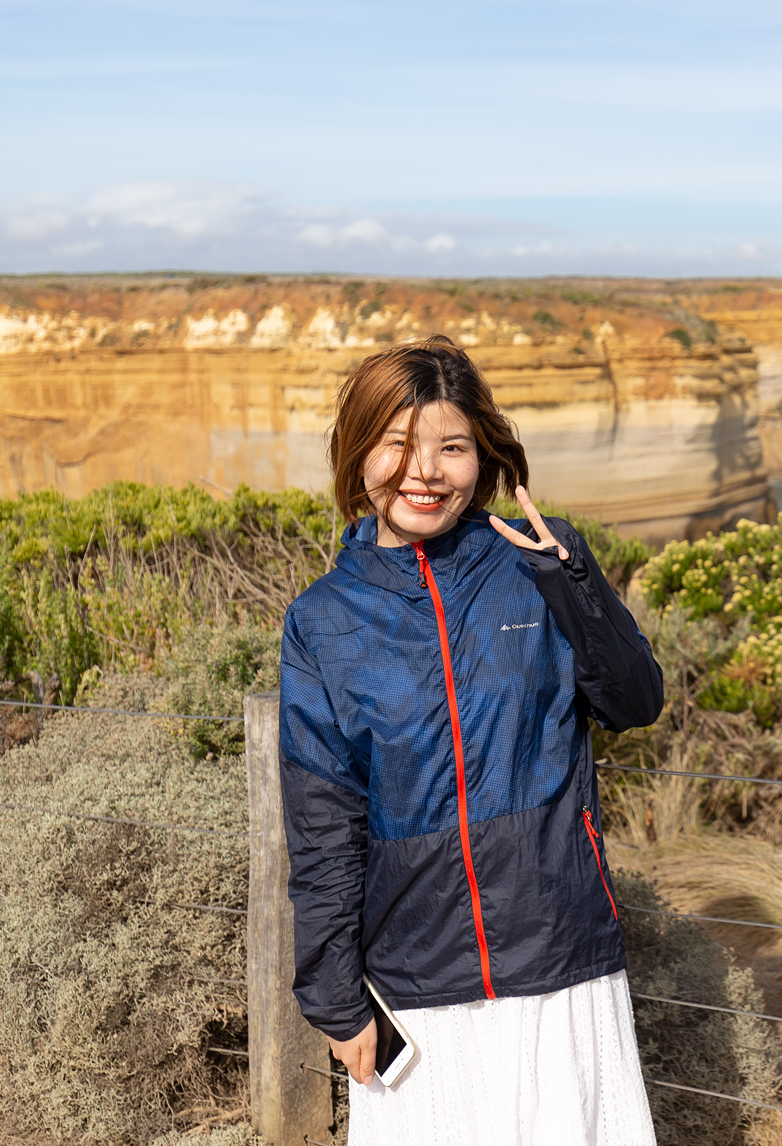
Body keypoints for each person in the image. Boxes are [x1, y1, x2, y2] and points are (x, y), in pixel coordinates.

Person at [279, 335, 665, 1145]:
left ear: (482, 457)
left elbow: (635, 702)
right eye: (397, 444)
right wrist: (335, 996)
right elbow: (322, 826)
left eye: (450, 447)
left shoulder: (537, 561)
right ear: (357, 457)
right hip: (417, 975)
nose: (424, 471)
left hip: (558, 958)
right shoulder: (323, 620)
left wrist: (573, 582)